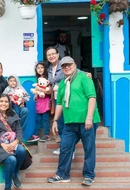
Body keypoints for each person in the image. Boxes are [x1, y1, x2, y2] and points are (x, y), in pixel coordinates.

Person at [47, 56, 100, 186]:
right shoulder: (62, 83)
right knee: (65, 148)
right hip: (70, 122)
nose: (67, 67)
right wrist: (55, 120)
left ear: (74, 64)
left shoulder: (84, 77)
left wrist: (89, 118)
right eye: (64, 66)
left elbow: (92, 98)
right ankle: (62, 174)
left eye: (69, 65)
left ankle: (88, 176)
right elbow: (59, 103)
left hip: (86, 121)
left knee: (89, 149)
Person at [0, 94, 26, 190]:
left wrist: (15, 142)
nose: (4, 103)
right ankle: (7, 187)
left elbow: (19, 130)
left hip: (11, 142)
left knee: (21, 151)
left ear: (9, 103)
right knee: (12, 160)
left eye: (6, 101)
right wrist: (2, 144)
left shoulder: (13, 114)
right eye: (1, 101)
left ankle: (14, 174)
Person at [45, 46, 65, 155]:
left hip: (65, 98)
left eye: (53, 54)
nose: (51, 56)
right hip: (55, 99)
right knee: (60, 124)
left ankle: (68, 149)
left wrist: (86, 74)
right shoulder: (48, 69)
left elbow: (74, 71)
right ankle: (63, 148)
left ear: (58, 54)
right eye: (49, 55)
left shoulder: (63, 65)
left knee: (64, 123)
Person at [27, 61, 52, 143]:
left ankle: (47, 134)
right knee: (38, 119)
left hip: (46, 101)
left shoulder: (48, 79)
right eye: (38, 68)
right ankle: (35, 135)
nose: (40, 69)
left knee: (45, 119)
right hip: (39, 102)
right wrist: (36, 95)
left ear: (45, 68)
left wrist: (39, 89)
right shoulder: (38, 79)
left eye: (42, 67)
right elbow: (37, 90)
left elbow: (49, 92)